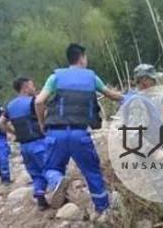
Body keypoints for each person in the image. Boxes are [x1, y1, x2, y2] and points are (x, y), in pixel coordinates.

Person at [34, 44, 123, 219]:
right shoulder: (91, 78)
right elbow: (111, 95)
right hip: (79, 135)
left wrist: (41, 123)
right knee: (92, 172)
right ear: (82, 58)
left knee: (50, 168)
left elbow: (39, 101)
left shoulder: (55, 77)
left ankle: (57, 181)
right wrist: (127, 98)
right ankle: (102, 209)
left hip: (56, 133)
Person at [121, 64, 163, 215]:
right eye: (153, 80)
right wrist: (154, 152)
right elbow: (134, 137)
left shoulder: (148, 98)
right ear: (144, 81)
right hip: (150, 153)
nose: (156, 83)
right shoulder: (137, 103)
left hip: (158, 149)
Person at [0, 77, 49, 210]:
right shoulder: (34, 102)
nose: (34, 88)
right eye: (32, 86)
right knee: (50, 169)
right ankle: (60, 196)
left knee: (36, 174)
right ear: (25, 88)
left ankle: (40, 198)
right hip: (38, 142)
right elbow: (46, 114)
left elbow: (0, 123)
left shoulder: (10, 105)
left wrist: (14, 133)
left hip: (24, 146)